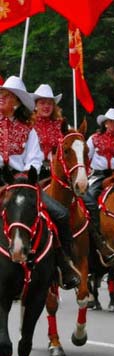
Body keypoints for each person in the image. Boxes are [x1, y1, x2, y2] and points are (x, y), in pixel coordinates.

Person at [0, 77, 80, 289]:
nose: (1, 98)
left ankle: (65, 264)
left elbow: (34, 156)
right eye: (2, 95)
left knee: (61, 213)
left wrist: (29, 173)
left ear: (16, 102)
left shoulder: (29, 129)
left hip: (23, 180)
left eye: (6, 96)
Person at [82, 108, 114, 266]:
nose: (113, 125)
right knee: (89, 197)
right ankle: (93, 229)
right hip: (98, 175)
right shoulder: (94, 139)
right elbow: (86, 157)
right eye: (110, 122)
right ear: (104, 123)